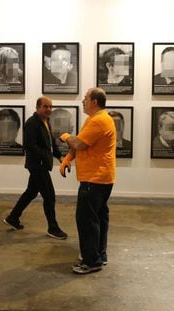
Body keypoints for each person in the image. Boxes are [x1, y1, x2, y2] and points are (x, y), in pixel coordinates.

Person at [59, 87, 116, 274]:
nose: (82, 101)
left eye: (85, 98)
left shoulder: (99, 121)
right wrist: (67, 159)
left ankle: (91, 261)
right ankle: (99, 254)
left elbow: (77, 143)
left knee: (86, 220)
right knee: (98, 217)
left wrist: (65, 136)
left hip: (95, 179)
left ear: (94, 102)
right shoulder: (94, 120)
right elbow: (81, 145)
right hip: (100, 178)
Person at [3, 96, 68, 240]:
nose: (49, 109)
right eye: (45, 107)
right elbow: (30, 145)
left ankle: (13, 217)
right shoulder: (32, 123)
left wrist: (59, 156)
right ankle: (53, 227)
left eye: (50, 107)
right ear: (38, 107)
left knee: (31, 192)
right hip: (37, 166)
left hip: (42, 164)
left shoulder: (46, 122)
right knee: (49, 196)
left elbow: (51, 143)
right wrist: (45, 157)